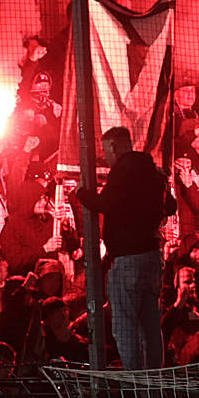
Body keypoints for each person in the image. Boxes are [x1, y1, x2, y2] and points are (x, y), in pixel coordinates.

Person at [75, 126, 173, 370]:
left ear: (114, 147)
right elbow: (170, 207)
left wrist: (81, 194)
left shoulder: (122, 171)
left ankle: (136, 382)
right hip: (152, 256)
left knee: (126, 324)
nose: (104, 157)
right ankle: (154, 378)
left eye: (106, 151)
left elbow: (105, 203)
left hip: (128, 257)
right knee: (150, 324)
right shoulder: (153, 173)